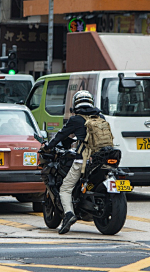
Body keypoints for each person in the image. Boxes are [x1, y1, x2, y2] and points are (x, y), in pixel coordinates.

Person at [42, 90, 105, 234]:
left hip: (82, 159)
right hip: (101, 159)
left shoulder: (76, 119)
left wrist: (47, 146)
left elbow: (60, 136)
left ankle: (69, 214)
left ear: (75, 104)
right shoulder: (101, 117)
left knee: (65, 188)